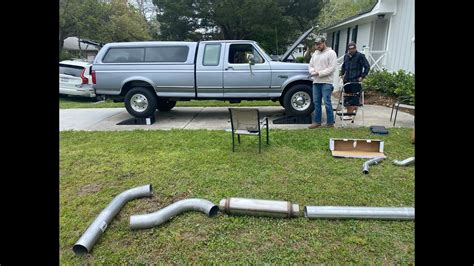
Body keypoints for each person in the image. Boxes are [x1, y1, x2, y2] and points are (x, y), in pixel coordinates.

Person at [307, 36, 338, 129]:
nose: (318, 46)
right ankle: (317, 122)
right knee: (316, 102)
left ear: (324, 42)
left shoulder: (331, 53)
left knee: (327, 102)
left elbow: (332, 68)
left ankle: (330, 123)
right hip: (316, 82)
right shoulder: (315, 54)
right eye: (316, 44)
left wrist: (319, 73)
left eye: (319, 44)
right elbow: (310, 65)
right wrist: (312, 72)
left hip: (326, 82)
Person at [340, 41, 370, 116]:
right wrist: (342, 74)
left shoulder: (360, 56)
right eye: (350, 49)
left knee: (354, 97)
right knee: (347, 97)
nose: (351, 50)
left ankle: (351, 114)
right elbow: (343, 66)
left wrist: (362, 76)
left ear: (355, 48)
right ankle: (349, 113)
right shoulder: (346, 56)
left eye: (353, 49)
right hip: (347, 80)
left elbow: (367, 66)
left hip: (356, 79)